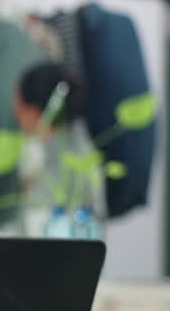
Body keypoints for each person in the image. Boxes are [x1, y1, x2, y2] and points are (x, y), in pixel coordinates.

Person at [12, 61, 105, 237]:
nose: (15, 115)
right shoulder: (82, 141)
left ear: (33, 112)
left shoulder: (42, 158)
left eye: (18, 106)